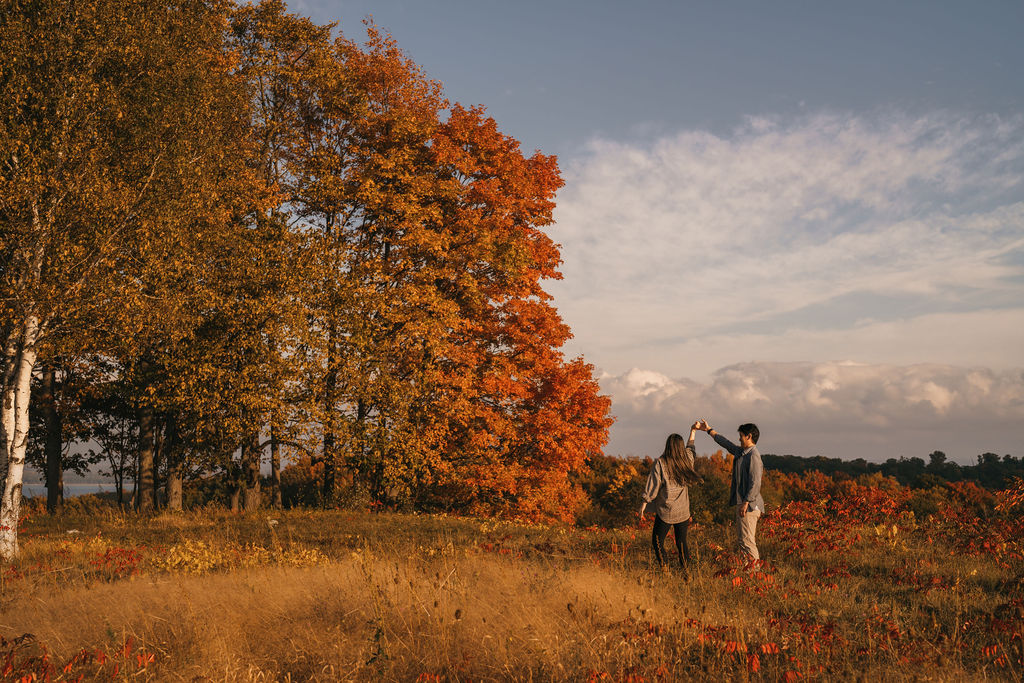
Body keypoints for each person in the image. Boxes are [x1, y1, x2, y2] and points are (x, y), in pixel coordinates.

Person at [639, 423, 704, 570]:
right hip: (683, 511)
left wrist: (643, 504)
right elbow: (691, 448)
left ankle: (665, 568)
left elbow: (653, 485)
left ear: (667, 446)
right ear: (680, 447)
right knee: (681, 543)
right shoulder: (686, 461)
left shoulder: (660, 464)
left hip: (666, 512)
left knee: (657, 541)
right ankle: (687, 573)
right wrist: (693, 431)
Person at [700, 420, 764, 562]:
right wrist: (709, 430)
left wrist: (746, 502)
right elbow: (727, 444)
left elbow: (756, 482)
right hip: (744, 503)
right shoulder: (742, 452)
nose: (739, 438)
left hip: (749, 505)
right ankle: (748, 571)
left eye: (741, 435)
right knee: (743, 541)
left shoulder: (753, 455)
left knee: (747, 541)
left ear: (748, 436)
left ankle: (755, 573)